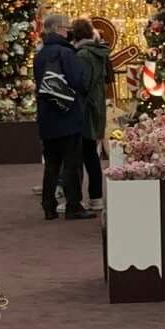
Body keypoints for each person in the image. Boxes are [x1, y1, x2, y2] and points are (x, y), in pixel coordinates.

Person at [33, 12, 91, 220]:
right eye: (66, 27)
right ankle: (73, 205)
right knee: (71, 162)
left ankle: (48, 205)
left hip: (47, 116)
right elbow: (78, 81)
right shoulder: (66, 53)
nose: (69, 31)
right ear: (58, 29)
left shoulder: (40, 55)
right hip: (68, 115)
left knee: (51, 163)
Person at [69, 18, 112, 203]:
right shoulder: (101, 52)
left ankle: (78, 197)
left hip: (84, 108)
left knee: (80, 153)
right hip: (97, 105)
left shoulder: (82, 55)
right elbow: (109, 78)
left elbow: (83, 83)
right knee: (91, 153)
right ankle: (96, 196)